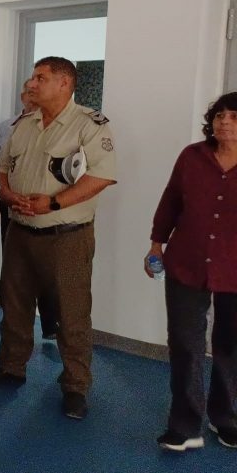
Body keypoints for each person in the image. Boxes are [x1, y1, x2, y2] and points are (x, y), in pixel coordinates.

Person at [0, 57, 117, 421]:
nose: (32, 84)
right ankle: (11, 367)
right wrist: (7, 195)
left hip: (67, 236)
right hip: (20, 231)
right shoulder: (24, 124)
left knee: (71, 312)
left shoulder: (89, 125)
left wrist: (53, 203)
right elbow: (2, 167)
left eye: (41, 78)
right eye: (33, 77)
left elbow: (100, 176)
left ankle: (75, 386)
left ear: (65, 83)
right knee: (15, 303)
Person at [147, 92, 237, 451]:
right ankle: (185, 424)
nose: (224, 121)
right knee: (185, 343)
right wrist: (156, 244)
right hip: (187, 261)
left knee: (230, 345)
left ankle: (224, 417)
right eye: (219, 115)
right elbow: (171, 199)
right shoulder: (192, 156)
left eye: (234, 116)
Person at [0, 85, 59, 340]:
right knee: (13, 265)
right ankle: (12, 319)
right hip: (11, 204)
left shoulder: (55, 127)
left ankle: (50, 323)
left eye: (38, 91)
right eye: (29, 92)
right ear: (22, 97)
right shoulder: (4, 128)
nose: (34, 97)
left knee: (45, 266)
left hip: (44, 206)